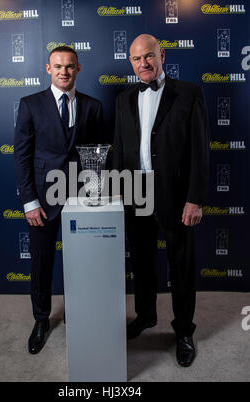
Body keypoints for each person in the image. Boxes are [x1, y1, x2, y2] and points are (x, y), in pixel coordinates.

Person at [113, 34, 209, 367]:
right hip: (135, 192)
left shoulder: (189, 93)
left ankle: (184, 330)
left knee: (180, 267)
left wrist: (195, 199)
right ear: (131, 63)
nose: (144, 64)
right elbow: (119, 150)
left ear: (162, 55)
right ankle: (145, 316)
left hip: (176, 196)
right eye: (137, 59)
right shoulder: (123, 99)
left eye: (149, 57)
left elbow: (200, 150)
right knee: (141, 263)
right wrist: (116, 194)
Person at [14, 46, 104, 354]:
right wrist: (29, 202)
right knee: (41, 264)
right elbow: (22, 156)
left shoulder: (94, 106)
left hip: (82, 198)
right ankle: (41, 319)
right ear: (48, 69)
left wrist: (97, 196)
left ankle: (80, 315)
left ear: (78, 68)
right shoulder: (30, 104)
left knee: (83, 263)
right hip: (42, 199)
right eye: (58, 66)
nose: (64, 71)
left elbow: (97, 156)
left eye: (69, 66)